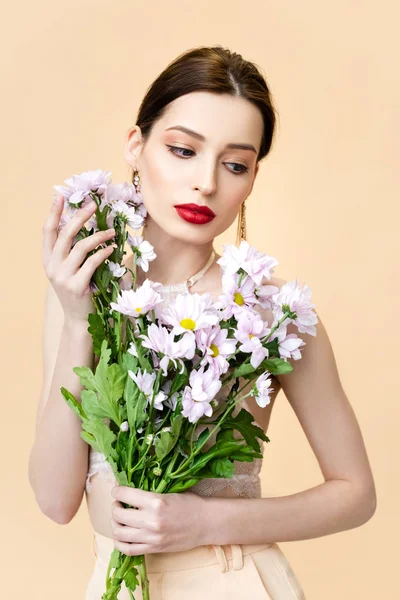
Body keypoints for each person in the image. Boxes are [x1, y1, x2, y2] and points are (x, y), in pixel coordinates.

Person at [29, 46, 377, 599]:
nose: (206, 183)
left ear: (253, 177)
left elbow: (356, 493)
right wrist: (77, 322)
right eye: (183, 150)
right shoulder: (84, 290)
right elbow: (54, 500)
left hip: (232, 580)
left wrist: (206, 522)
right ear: (136, 146)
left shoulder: (272, 312)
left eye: (234, 163)